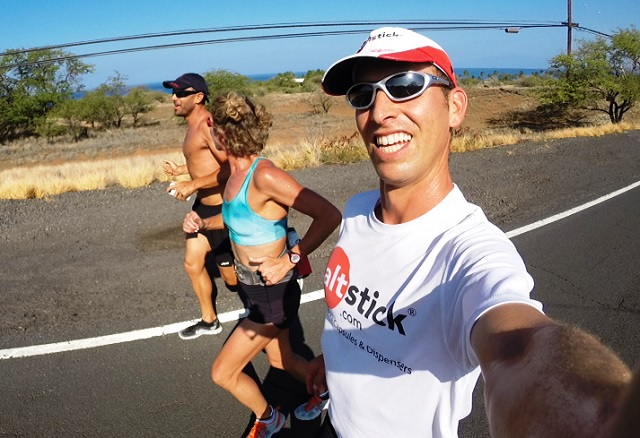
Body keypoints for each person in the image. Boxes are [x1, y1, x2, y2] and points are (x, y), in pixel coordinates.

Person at [300, 27, 639, 437]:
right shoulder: (356, 210)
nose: (379, 111)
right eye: (362, 95)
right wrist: (334, 355)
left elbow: (518, 345)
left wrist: (591, 416)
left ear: (455, 106)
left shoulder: (469, 252)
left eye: (405, 85)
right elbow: (350, 317)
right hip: (331, 423)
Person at [182, 91, 341, 438]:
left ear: (222, 132)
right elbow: (238, 221)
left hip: (274, 292)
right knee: (281, 361)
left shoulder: (264, 175)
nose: (204, 132)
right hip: (252, 289)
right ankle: (329, 391)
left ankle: (269, 418)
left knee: (223, 373)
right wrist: (201, 223)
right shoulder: (231, 175)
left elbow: (329, 215)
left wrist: (289, 260)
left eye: (210, 126)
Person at [162, 73, 238, 340]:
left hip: (222, 210)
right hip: (201, 208)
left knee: (232, 281)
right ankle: (209, 320)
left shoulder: (208, 125)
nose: (174, 98)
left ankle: (282, 254)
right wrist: (182, 170)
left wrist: (192, 185)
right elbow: (204, 162)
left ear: (198, 97)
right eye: (173, 93)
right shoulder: (191, 125)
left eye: (181, 93)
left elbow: (231, 167)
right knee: (192, 264)